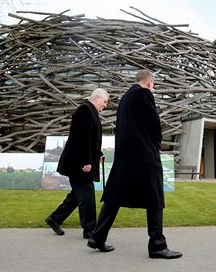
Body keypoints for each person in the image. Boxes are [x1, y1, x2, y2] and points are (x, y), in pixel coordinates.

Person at [87, 70, 182, 259]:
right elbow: (154, 124)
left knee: (114, 196)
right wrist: (155, 147)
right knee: (154, 196)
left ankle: (97, 237)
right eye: (153, 85)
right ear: (149, 83)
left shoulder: (125, 98)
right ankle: (157, 245)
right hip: (144, 156)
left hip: (125, 157)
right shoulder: (144, 94)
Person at [45, 88, 109, 239]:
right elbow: (81, 138)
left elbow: (90, 138)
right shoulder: (84, 110)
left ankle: (54, 219)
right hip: (79, 164)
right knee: (87, 196)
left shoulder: (89, 110)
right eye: (104, 102)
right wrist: (86, 161)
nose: (105, 105)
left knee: (77, 195)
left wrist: (98, 154)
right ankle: (90, 231)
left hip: (81, 162)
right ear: (97, 98)